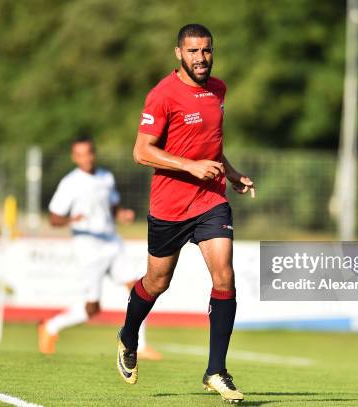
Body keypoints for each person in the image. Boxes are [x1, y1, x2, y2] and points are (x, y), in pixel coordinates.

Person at [115, 24, 254, 403]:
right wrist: (190, 167)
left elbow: (211, 146)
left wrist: (231, 172)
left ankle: (216, 371)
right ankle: (128, 335)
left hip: (210, 200)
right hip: (170, 206)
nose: (201, 58)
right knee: (157, 282)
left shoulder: (219, 90)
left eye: (206, 51)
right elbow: (142, 151)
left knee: (224, 273)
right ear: (179, 53)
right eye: (193, 51)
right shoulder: (162, 95)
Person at [39, 133, 161, 360]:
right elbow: (54, 218)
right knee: (92, 309)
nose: (86, 158)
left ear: (93, 153)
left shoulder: (106, 177)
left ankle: (139, 345)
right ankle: (50, 326)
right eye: (80, 155)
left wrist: (121, 213)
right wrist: (71, 221)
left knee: (137, 288)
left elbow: (113, 206)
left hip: (111, 241)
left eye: (89, 153)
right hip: (88, 247)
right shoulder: (70, 183)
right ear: (74, 157)